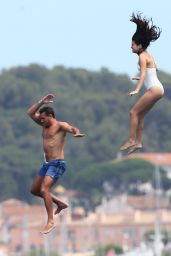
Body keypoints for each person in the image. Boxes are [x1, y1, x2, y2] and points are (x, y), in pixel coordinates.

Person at [27, 94, 85, 234]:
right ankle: (60, 203)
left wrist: (76, 133)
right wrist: (41, 102)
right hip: (47, 164)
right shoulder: (44, 124)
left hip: (57, 163)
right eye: (40, 118)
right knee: (34, 190)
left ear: (51, 116)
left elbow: (71, 128)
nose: (41, 121)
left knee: (44, 190)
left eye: (43, 118)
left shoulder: (59, 125)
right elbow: (29, 113)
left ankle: (50, 221)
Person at [120, 12, 164, 154]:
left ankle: (131, 139)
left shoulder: (142, 57)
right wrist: (141, 79)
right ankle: (138, 142)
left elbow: (145, 73)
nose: (131, 47)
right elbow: (154, 70)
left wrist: (137, 89)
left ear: (139, 45)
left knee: (133, 113)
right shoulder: (148, 54)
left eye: (133, 44)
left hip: (154, 89)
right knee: (141, 115)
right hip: (158, 89)